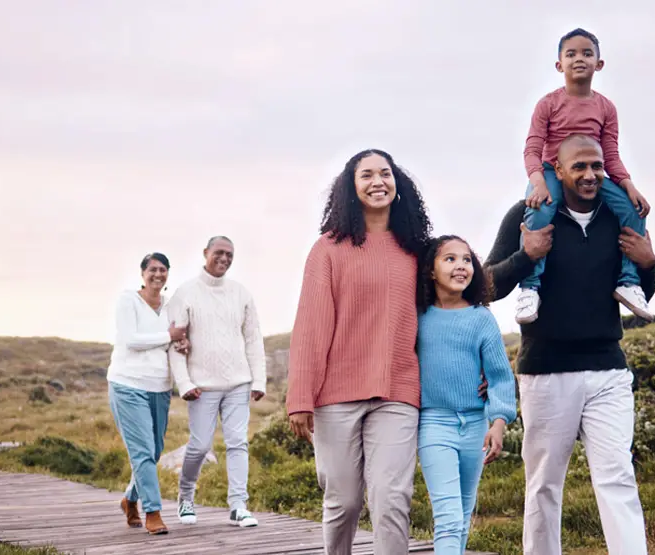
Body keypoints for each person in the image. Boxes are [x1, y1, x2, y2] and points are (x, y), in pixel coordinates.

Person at [485, 135, 655, 555]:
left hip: (608, 370)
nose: (590, 175)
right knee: (544, 484)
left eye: (597, 166)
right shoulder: (526, 214)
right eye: (579, 167)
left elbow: (641, 294)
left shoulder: (620, 216)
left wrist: (649, 263)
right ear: (557, 171)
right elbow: (487, 285)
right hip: (546, 371)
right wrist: (525, 256)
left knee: (617, 476)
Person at [286, 148, 431, 555]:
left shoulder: (417, 250)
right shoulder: (329, 249)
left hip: (398, 391)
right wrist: (301, 396)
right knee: (343, 503)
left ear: (397, 183)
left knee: (391, 499)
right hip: (336, 396)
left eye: (385, 173)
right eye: (366, 175)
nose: (377, 182)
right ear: (351, 187)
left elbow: (445, 314)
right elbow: (311, 327)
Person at [514, 28, 654, 324]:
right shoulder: (548, 104)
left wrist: (629, 185)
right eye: (571, 54)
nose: (579, 59)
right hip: (553, 171)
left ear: (599, 64)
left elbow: (610, 155)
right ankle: (530, 288)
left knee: (634, 211)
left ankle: (627, 282)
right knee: (539, 212)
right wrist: (538, 181)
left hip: (591, 174)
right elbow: (532, 148)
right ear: (559, 64)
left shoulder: (605, 108)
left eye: (587, 53)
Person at [414, 235, 519, 555]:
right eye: (449, 259)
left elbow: (500, 376)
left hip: (475, 425)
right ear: (431, 271)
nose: (461, 265)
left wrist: (498, 422)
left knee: (461, 515)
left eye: (467, 259)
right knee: (446, 517)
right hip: (433, 424)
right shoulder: (417, 317)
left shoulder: (481, 318)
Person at [165, 236, 266, 528]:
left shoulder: (241, 293)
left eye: (230, 254)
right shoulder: (185, 294)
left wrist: (257, 379)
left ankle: (238, 505)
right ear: (205, 253)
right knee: (199, 446)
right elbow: (176, 344)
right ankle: (186, 498)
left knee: (238, 443)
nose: (224, 258)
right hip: (202, 387)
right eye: (219, 253)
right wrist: (184, 383)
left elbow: (253, 339)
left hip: (238, 384)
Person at [108, 252, 185, 535]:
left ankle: (130, 499)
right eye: (152, 269)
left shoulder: (170, 307)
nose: (158, 274)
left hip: (160, 387)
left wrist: (182, 344)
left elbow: (175, 341)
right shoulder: (128, 300)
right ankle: (153, 512)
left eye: (163, 269)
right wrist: (170, 337)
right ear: (143, 273)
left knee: (153, 451)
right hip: (128, 385)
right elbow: (131, 340)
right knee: (141, 452)